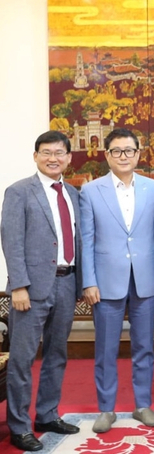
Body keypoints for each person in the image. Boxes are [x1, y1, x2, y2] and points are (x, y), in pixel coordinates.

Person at [79, 128, 154, 433]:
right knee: (105, 349)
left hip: (144, 280)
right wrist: (89, 281)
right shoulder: (91, 191)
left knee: (144, 346)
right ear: (107, 155)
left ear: (138, 153)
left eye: (129, 150)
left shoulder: (153, 188)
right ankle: (106, 409)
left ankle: (143, 405)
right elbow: (86, 240)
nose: (123, 156)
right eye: (116, 151)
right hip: (105, 282)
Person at [1, 131, 82, 452]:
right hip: (30, 288)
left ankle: (47, 413)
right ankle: (19, 426)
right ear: (35, 156)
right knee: (22, 359)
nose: (53, 158)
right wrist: (18, 285)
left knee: (57, 354)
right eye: (46, 152)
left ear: (68, 158)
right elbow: (11, 241)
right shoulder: (19, 191)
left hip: (66, 283)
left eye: (59, 153)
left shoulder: (74, 193)